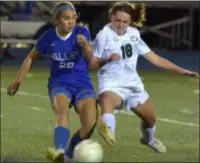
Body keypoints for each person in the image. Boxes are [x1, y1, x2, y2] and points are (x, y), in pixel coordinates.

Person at [89, 2, 199, 153]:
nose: (120, 25)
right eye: (117, 20)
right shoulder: (103, 36)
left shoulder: (133, 34)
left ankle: (149, 139)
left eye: (125, 22)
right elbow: (92, 65)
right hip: (111, 83)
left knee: (150, 120)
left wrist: (181, 70)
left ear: (130, 22)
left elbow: (154, 58)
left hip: (133, 84)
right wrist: (107, 60)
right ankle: (109, 130)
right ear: (111, 17)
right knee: (107, 103)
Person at [7, 1, 98, 162]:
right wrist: (17, 81)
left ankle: (69, 153)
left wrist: (85, 45)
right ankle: (59, 150)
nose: (71, 22)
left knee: (90, 124)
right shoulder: (48, 37)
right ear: (56, 21)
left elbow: (91, 60)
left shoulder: (82, 32)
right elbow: (31, 57)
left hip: (82, 83)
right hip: (59, 82)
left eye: (73, 18)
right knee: (61, 111)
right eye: (66, 18)